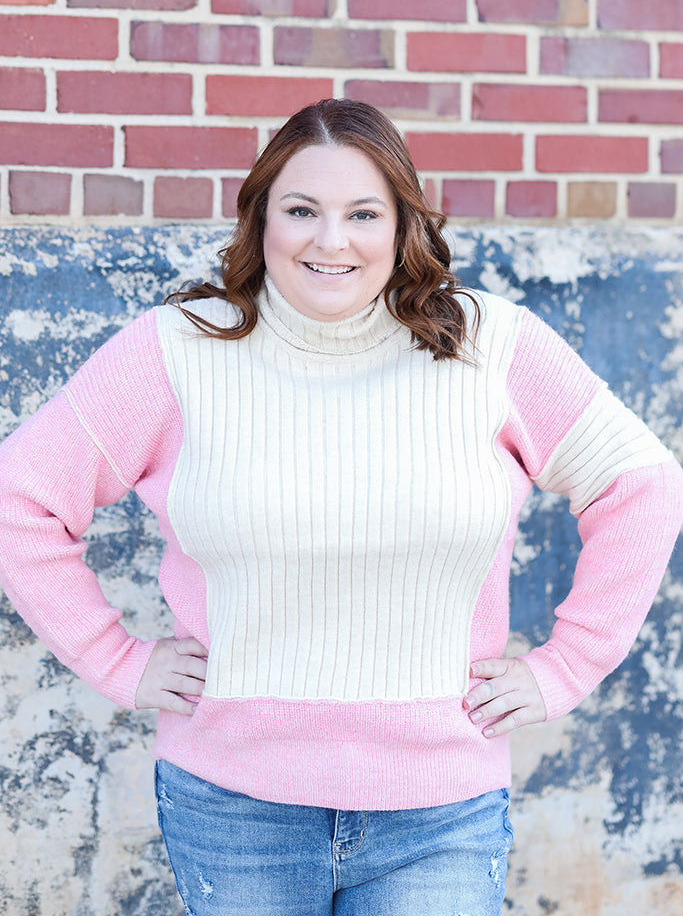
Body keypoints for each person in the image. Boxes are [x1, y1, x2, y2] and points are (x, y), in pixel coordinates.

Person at [0, 99, 681, 916]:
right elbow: (22, 496)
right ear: (262, 221)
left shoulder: (484, 344)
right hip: (233, 807)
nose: (331, 240)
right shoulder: (178, 350)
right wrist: (116, 660)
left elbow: (640, 482)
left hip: (440, 813)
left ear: (402, 227)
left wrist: (565, 667)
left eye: (363, 213)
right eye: (301, 210)